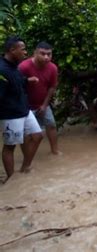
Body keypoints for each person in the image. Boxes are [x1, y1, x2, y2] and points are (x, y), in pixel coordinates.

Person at [0, 36, 43, 182]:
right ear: (12, 50)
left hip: (24, 109)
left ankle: (25, 168)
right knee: (10, 146)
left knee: (37, 136)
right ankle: (12, 180)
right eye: (23, 49)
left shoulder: (13, 66)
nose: (25, 52)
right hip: (10, 114)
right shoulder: (2, 70)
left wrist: (27, 80)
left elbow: (16, 81)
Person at [19, 41, 60, 155]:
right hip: (25, 106)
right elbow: (17, 87)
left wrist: (44, 105)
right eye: (43, 53)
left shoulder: (53, 68)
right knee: (27, 133)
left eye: (49, 54)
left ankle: (54, 151)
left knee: (51, 125)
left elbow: (52, 87)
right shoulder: (24, 67)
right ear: (35, 53)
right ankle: (27, 158)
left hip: (42, 103)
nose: (46, 57)